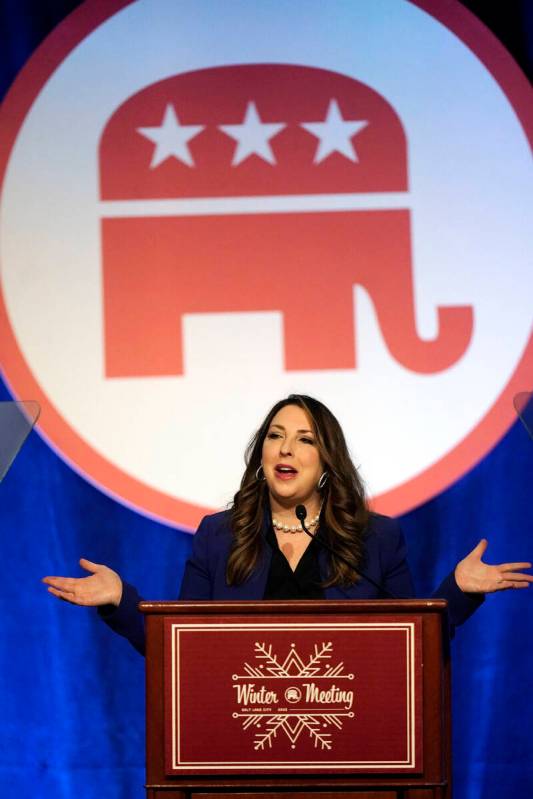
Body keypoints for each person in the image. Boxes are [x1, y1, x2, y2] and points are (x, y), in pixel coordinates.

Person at [43, 394, 532, 655]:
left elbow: (409, 645)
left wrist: (459, 592)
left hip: (345, 742)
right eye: (275, 436)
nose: (285, 448)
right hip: (244, 744)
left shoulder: (375, 538)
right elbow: (179, 649)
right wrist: (121, 600)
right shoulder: (220, 535)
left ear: (326, 463)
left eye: (304, 439)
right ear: (262, 453)